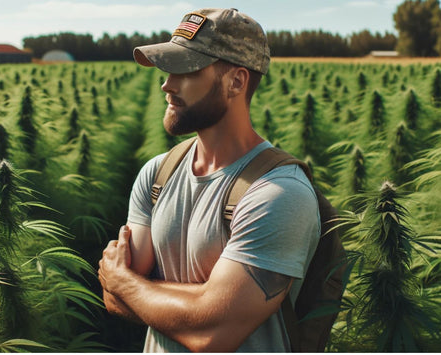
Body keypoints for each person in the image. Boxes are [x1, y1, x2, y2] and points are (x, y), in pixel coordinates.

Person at [98, 8, 320, 352]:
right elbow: (113, 302)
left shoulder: (278, 193)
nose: (166, 84)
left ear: (236, 81)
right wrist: (199, 301)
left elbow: (211, 335)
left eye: (186, 70)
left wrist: (127, 282)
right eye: (168, 69)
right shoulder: (157, 173)